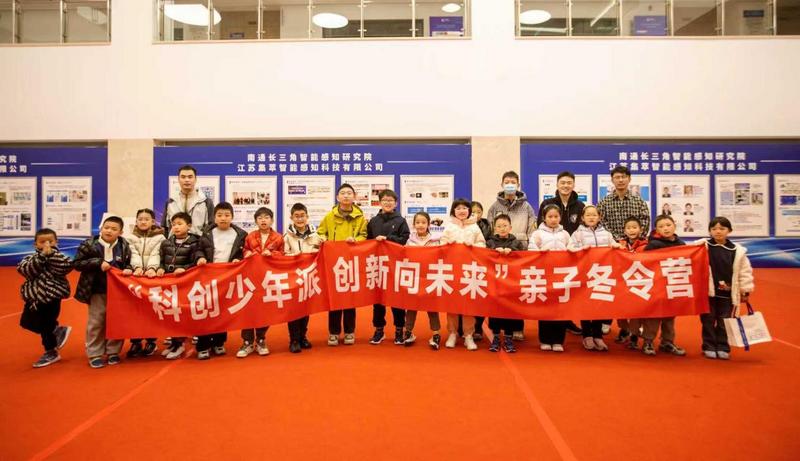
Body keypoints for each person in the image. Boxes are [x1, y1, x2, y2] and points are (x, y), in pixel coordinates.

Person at [597, 165, 650, 336]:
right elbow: (601, 224)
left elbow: (645, 223)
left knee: (631, 287)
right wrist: (616, 242)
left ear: (629, 179)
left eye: (623, 177)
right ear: (612, 180)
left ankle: (633, 323)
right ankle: (606, 320)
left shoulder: (638, 202)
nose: (620, 180)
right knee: (610, 286)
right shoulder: (604, 202)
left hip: (633, 251)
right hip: (612, 250)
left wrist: (631, 242)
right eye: (617, 177)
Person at [692, 217, 755, 360]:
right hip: (707, 293)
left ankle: (722, 346)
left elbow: (744, 272)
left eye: (722, 228)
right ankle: (708, 346)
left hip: (728, 294)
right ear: (709, 231)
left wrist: (745, 290)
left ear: (729, 231)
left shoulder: (737, 251)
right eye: (714, 229)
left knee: (724, 322)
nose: (718, 231)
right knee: (707, 321)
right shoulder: (703, 246)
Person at [74, 216, 131, 368]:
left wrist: (129, 269)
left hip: (118, 291)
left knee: (117, 321)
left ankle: (113, 351)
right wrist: (98, 262)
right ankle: (95, 353)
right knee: (96, 322)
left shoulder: (124, 245)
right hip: (96, 290)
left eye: (114, 229)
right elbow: (77, 264)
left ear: (121, 232)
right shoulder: (89, 244)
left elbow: (129, 263)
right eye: (106, 227)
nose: (109, 231)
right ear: (101, 228)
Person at [487, 170, 537, 341]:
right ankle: (496, 329)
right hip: (498, 257)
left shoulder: (527, 207)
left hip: (518, 254)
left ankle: (517, 328)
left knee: (516, 293)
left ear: (518, 185)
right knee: (497, 294)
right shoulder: (494, 207)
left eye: (513, 182)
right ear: (502, 185)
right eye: (507, 182)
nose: (510, 185)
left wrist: (526, 250)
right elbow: (490, 230)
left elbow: (532, 229)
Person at [196, 202, 247, 360]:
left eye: (226, 215)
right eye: (219, 215)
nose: (223, 218)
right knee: (206, 311)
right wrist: (200, 258)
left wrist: (238, 259)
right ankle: (203, 345)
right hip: (208, 277)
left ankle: (219, 342)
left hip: (228, 278)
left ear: (232, 217)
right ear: (214, 217)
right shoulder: (207, 233)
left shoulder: (240, 234)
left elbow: (243, 253)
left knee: (222, 311)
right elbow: (199, 250)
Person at [318, 183, 368, 346]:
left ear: (354, 197)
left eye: (349, 193)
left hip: (351, 262)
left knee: (350, 299)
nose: (346, 196)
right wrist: (323, 239)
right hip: (333, 263)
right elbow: (320, 232)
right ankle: (333, 332)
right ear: (337, 197)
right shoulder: (329, 216)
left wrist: (356, 240)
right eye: (343, 193)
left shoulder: (360, 217)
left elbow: (364, 235)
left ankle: (349, 331)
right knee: (334, 298)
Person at [537, 171, 586, 336]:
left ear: (573, 185)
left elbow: (583, 229)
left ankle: (567, 321)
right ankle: (549, 325)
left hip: (570, 254)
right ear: (557, 185)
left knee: (568, 290)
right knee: (550, 291)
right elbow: (540, 226)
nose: (566, 185)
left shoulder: (580, 206)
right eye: (563, 182)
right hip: (549, 256)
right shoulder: (547, 203)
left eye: (569, 183)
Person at [17, 228, 74, 368]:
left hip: (51, 297)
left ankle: (51, 351)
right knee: (26, 322)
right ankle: (57, 330)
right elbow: (26, 271)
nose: (46, 244)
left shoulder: (61, 257)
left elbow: (66, 267)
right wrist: (41, 257)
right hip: (33, 298)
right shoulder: (30, 258)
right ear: (35, 244)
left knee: (46, 325)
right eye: (42, 242)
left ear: (56, 242)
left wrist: (51, 256)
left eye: (50, 241)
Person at [568, 206, 618, 351]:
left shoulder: (606, 233)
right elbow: (570, 248)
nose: (591, 217)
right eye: (588, 215)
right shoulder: (577, 234)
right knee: (585, 306)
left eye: (594, 215)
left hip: (601, 275)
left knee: (599, 305)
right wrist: (579, 250)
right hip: (585, 274)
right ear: (582, 218)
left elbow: (612, 244)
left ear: (599, 217)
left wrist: (616, 246)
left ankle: (598, 336)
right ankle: (587, 335)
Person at [237, 207, 284, 358]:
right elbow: (244, 250)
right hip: (251, 278)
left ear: (272, 220)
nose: (263, 220)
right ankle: (247, 342)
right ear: (256, 221)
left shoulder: (278, 237)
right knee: (248, 309)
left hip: (267, 279)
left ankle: (261, 339)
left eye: (266, 217)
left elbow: (282, 254)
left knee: (264, 310)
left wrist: (272, 254)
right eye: (260, 218)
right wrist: (247, 253)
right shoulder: (250, 236)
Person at [441, 198, 486, 351]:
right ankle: (452, 334)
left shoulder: (474, 227)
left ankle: (468, 335)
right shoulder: (449, 227)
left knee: (468, 305)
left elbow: (482, 244)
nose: (461, 211)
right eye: (458, 208)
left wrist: (473, 246)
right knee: (452, 304)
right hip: (452, 271)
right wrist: (447, 245)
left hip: (469, 271)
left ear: (469, 211)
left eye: (465, 208)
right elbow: (441, 246)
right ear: (453, 211)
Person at [157, 212, 204, 359]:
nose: (176, 227)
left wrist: (184, 269)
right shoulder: (166, 242)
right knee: (171, 313)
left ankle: (180, 343)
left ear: (189, 226)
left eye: (179, 224)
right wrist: (160, 268)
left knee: (183, 314)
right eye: (173, 224)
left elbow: (196, 263)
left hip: (186, 283)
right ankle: (175, 343)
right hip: (169, 284)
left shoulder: (196, 242)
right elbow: (161, 260)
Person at [367, 189, 410, 346]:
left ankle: (399, 330)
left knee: (397, 299)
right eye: (384, 200)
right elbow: (367, 241)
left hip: (395, 265)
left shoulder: (401, 221)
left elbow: (404, 238)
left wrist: (388, 239)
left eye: (390, 200)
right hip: (378, 266)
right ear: (380, 202)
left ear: (395, 203)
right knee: (378, 300)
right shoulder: (373, 221)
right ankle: (379, 330)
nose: (387, 203)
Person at [641, 215, 687, 357]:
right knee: (654, 315)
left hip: (673, 285)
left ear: (674, 225)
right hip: (657, 285)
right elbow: (645, 263)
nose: (665, 228)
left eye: (668, 225)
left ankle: (667, 342)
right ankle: (648, 341)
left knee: (670, 316)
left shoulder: (681, 244)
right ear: (656, 230)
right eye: (661, 226)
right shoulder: (653, 245)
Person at [123, 208, 166, 358]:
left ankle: (151, 341)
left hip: (152, 278)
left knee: (151, 311)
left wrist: (152, 268)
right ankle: (135, 341)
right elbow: (132, 254)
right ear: (136, 221)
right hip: (136, 277)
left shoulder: (160, 237)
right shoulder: (129, 237)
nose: (143, 222)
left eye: (146, 219)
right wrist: (137, 267)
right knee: (134, 312)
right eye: (140, 219)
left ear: (153, 221)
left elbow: (157, 254)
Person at [529, 204, 571, 352]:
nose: (553, 219)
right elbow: (531, 251)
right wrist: (541, 252)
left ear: (560, 217)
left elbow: (572, 250)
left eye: (556, 216)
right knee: (545, 307)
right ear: (544, 218)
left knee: (560, 307)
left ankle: (558, 340)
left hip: (561, 275)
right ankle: (545, 339)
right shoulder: (537, 234)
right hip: (545, 274)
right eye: (550, 216)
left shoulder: (565, 234)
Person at [284, 203, 322, 353]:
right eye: (297, 216)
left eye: (302, 216)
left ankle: (302, 337)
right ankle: (293, 339)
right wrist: (294, 256)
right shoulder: (287, 236)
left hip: (309, 276)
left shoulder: (315, 235)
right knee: (293, 309)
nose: (300, 219)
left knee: (306, 308)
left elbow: (321, 252)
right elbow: (282, 256)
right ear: (291, 218)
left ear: (307, 217)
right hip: (293, 277)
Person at [402, 211, 443, 350]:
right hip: (414, 278)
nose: (420, 225)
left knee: (432, 308)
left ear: (428, 224)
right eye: (418, 222)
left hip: (430, 278)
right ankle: (408, 332)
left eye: (423, 222)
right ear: (414, 225)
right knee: (411, 307)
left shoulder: (436, 240)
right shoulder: (409, 240)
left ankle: (436, 334)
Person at [486, 214, 525, 353]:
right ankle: (496, 337)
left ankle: (508, 337)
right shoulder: (490, 242)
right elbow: (484, 256)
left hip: (511, 283)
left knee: (510, 310)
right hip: (495, 282)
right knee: (495, 310)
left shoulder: (516, 242)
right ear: (494, 228)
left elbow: (523, 257)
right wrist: (494, 252)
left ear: (510, 227)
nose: (502, 228)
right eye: (499, 226)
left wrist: (512, 252)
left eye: (505, 226)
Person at [615, 216, 648, 349]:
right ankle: (624, 329)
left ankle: (634, 334)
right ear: (624, 230)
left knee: (636, 310)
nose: (632, 230)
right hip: (622, 281)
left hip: (638, 281)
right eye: (628, 228)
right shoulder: (619, 244)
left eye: (634, 227)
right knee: (620, 309)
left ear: (640, 229)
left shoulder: (646, 245)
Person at [161, 164, 214, 236]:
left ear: (195, 179)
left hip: (198, 242)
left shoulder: (206, 202)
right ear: (178, 179)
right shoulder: (170, 202)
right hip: (174, 242)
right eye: (183, 177)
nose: (186, 180)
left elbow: (211, 227)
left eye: (190, 177)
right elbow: (165, 227)